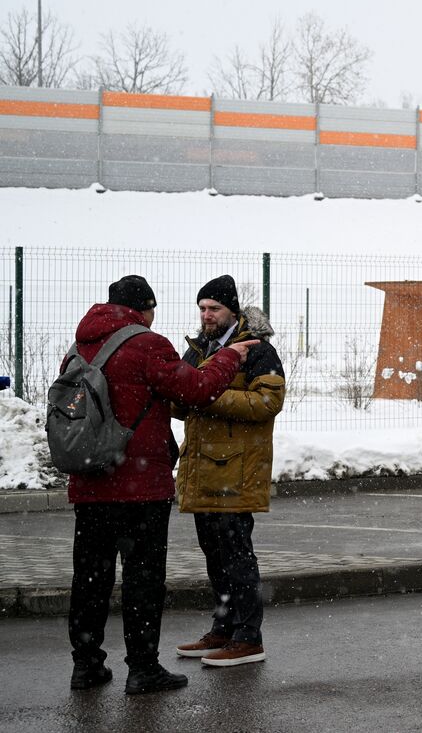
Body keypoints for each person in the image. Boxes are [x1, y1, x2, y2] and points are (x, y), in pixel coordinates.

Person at [67, 275, 253, 696]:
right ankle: (143, 669)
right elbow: (197, 389)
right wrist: (230, 358)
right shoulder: (147, 344)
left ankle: (87, 665)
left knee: (90, 579)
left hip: (90, 483)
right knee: (143, 580)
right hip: (139, 488)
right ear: (144, 308)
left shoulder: (79, 346)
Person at [174, 275, 285, 668]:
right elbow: (179, 397)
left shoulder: (258, 350)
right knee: (214, 555)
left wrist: (209, 393)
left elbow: (268, 402)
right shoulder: (198, 348)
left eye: (214, 308)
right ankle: (222, 629)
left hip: (237, 471)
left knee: (238, 556)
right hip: (201, 470)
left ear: (232, 311)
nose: (206, 315)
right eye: (202, 308)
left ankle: (248, 638)